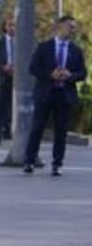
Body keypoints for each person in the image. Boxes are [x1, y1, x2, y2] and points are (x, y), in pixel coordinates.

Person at [24, 15, 86, 176]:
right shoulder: (44, 47)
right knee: (37, 128)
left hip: (64, 95)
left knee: (61, 131)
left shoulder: (76, 50)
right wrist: (50, 74)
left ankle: (57, 163)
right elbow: (33, 68)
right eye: (70, 27)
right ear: (60, 27)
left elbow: (82, 73)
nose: (73, 30)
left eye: (74, 27)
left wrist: (69, 75)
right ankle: (30, 160)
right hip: (45, 93)